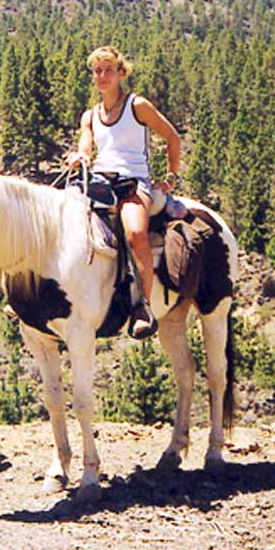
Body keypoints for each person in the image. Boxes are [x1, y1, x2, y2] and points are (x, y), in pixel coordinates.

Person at [67, 46, 182, 339]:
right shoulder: (90, 115)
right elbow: (86, 144)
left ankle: (142, 306)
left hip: (133, 182)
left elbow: (172, 137)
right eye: (97, 71)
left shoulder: (137, 106)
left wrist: (170, 178)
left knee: (134, 234)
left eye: (108, 70)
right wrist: (80, 157)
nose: (102, 76)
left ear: (121, 73)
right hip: (100, 181)